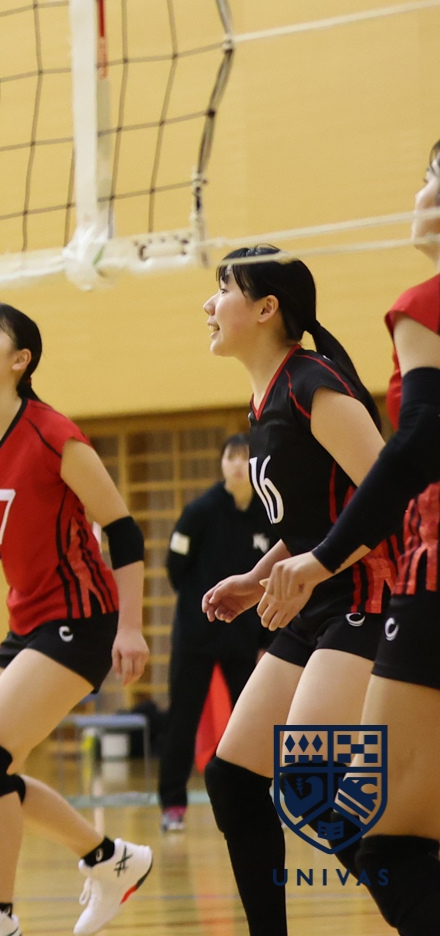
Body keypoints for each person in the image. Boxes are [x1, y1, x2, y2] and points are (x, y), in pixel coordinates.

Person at [0, 302, 154, 936]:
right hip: (27, 621)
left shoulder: (54, 435)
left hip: (83, 617)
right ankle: (111, 860)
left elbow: (123, 529)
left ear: (20, 360)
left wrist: (131, 627)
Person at [260, 139, 440, 936]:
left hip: (418, 583)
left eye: (433, 177)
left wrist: (323, 559)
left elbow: (416, 444)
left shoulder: (423, 306)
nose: (421, 193)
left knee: (390, 846)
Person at [189, 248, 389, 934]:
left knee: (309, 787)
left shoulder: (312, 384)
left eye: (223, 288)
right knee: (233, 776)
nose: (209, 304)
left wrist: (313, 567)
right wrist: (259, 576)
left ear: (267, 308)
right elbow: (314, 520)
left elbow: (387, 500)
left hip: (367, 598)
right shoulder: (267, 401)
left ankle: (419, 897)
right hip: (320, 602)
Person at [157, 432, 270, 832]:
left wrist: (265, 641)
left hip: (244, 638)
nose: (237, 464)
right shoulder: (200, 512)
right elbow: (175, 567)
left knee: (252, 720)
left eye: (244, 457)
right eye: (230, 457)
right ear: (221, 464)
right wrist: (197, 607)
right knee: (182, 721)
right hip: (197, 637)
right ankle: (173, 804)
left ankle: (259, 798)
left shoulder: (267, 517)